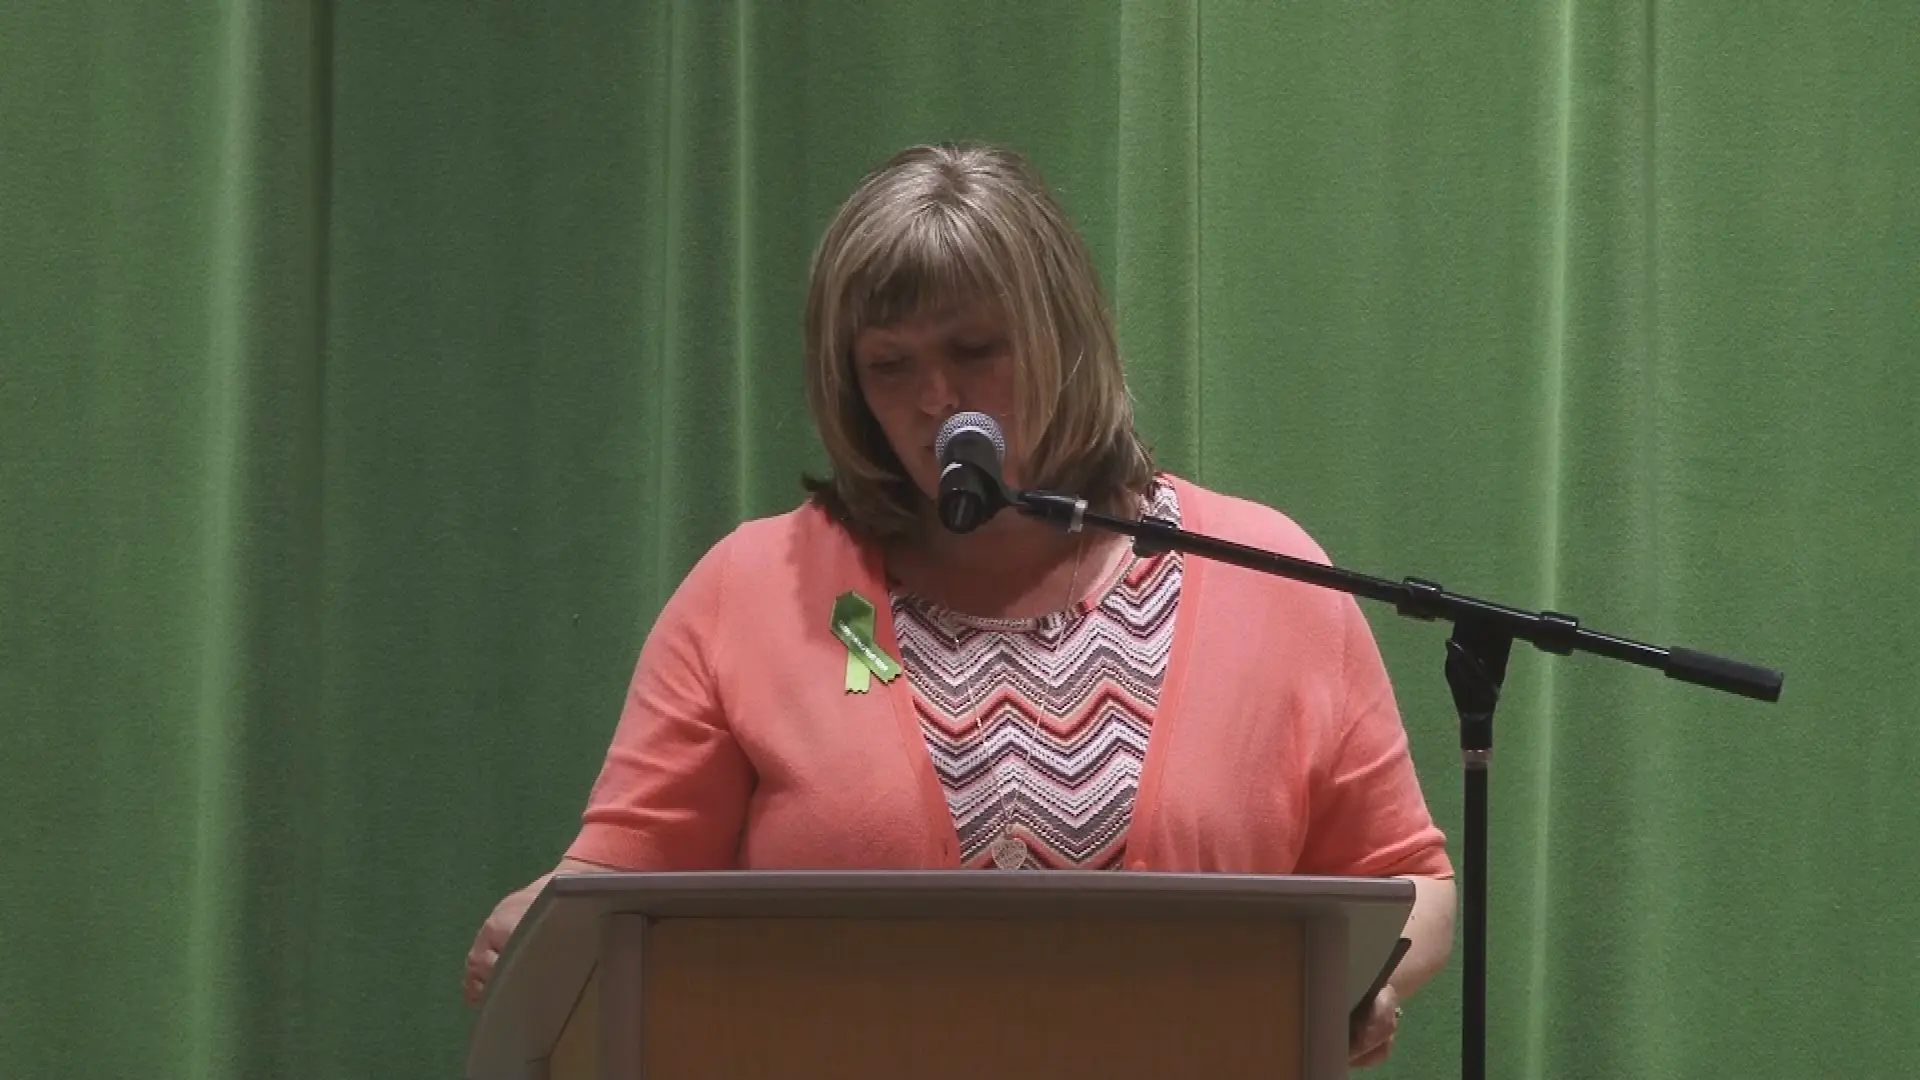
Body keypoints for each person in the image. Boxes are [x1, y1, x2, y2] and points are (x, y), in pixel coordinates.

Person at [464, 142, 1455, 1068]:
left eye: (976, 349)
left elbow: (1411, 879)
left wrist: (1354, 984)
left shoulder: (1267, 574)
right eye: (889, 365)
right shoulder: (755, 589)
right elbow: (617, 887)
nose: (936, 397)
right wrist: (538, 920)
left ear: (1064, 339)